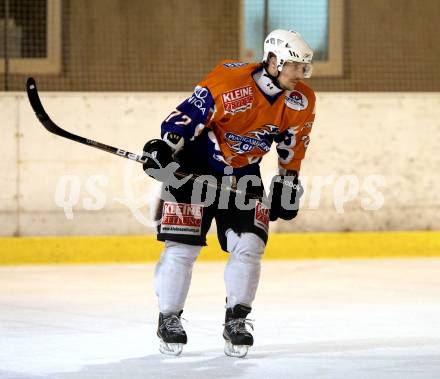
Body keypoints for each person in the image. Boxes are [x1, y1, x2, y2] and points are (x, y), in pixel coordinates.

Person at [142, 29, 316, 357]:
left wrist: (288, 181)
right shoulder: (229, 82)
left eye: (304, 67)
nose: (300, 74)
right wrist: (164, 148)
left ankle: (237, 320)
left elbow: (293, 145)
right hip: (191, 170)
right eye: (295, 66)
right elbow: (187, 115)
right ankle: (169, 318)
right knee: (182, 247)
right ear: (275, 61)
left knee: (250, 245)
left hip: (243, 175)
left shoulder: (301, 100)